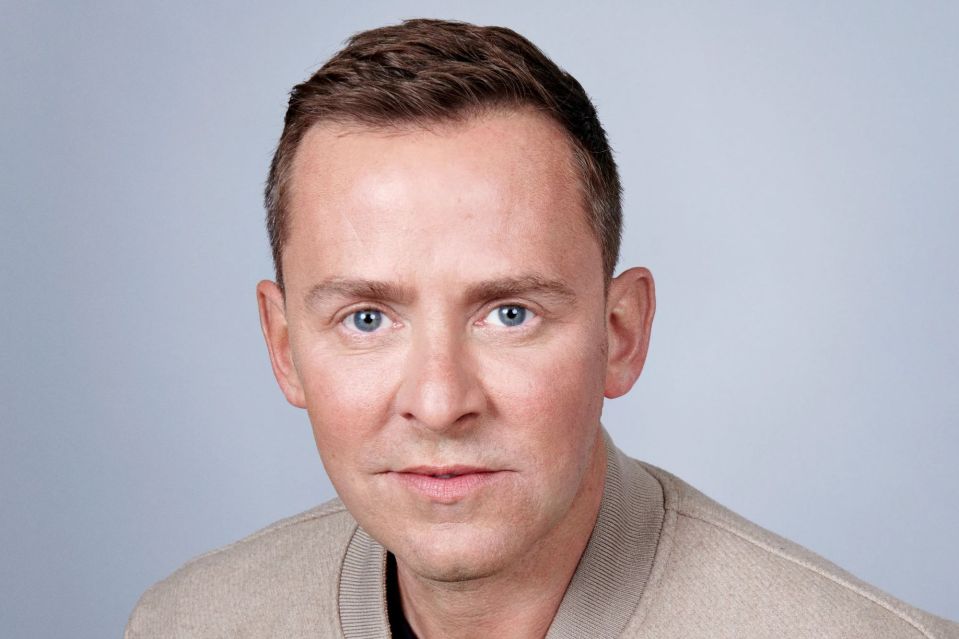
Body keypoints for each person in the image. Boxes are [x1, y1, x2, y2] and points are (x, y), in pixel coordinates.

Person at [125, 18, 958, 639]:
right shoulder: (186, 624)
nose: (440, 399)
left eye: (509, 312)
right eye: (368, 317)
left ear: (620, 333)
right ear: (284, 349)